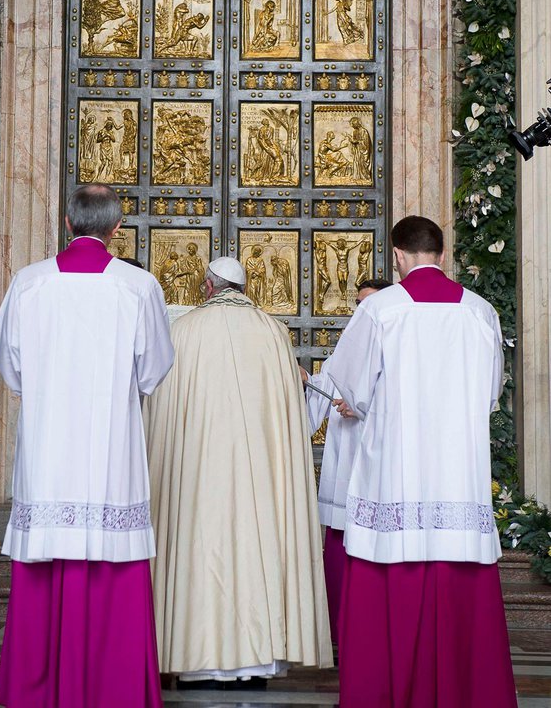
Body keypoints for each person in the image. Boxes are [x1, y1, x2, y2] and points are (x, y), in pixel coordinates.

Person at [0, 184, 174, 708]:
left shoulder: (30, 282)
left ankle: (38, 687)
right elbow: (154, 369)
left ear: (67, 223)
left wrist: (41, 390)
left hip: (48, 450)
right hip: (111, 452)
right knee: (112, 564)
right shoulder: (138, 287)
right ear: (117, 228)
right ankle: (114, 687)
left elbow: (6, 358)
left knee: (44, 567)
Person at [328, 215, 517, 708]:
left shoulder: (380, 310)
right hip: (458, 479)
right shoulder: (480, 312)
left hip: (397, 477)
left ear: (396, 255)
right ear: (442, 253)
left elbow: (352, 388)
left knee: (387, 591)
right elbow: (491, 394)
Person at [143, 256, 332, 689]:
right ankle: (257, 658)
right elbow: (287, 415)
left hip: (196, 476)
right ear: (245, 289)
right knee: (257, 545)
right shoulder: (272, 331)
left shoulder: (183, 330)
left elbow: (161, 416)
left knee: (198, 551)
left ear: (208, 287)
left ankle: (194, 653)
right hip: (259, 476)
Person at [305, 278, 392, 647]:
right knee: (339, 538)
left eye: (368, 302)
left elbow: (401, 399)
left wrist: (361, 407)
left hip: (378, 458)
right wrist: (304, 381)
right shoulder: (349, 343)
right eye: (358, 303)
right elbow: (330, 382)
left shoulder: (396, 341)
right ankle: (338, 628)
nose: (361, 310)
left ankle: (370, 628)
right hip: (346, 455)